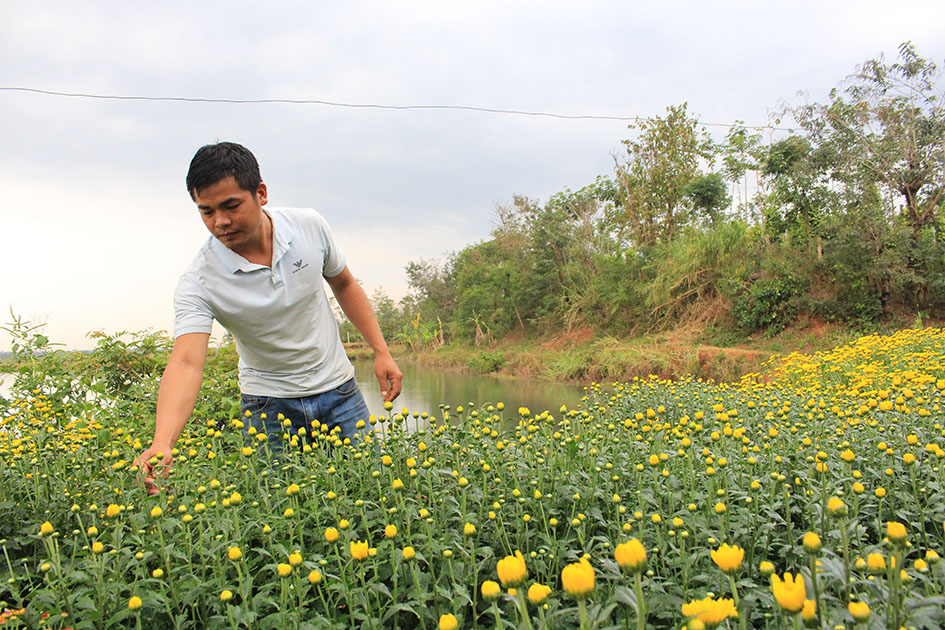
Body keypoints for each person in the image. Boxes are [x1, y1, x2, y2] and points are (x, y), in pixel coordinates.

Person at [136, 142, 401, 493]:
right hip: (267, 406)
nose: (221, 222)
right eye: (207, 212)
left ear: (261, 193)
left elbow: (344, 282)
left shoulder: (308, 227)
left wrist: (381, 351)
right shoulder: (199, 281)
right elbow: (186, 362)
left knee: (373, 492)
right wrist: (163, 442)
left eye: (231, 206)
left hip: (339, 391)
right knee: (278, 515)